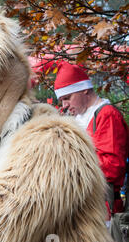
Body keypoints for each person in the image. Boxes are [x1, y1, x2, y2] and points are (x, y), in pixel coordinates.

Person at [54, 61, 129, 221]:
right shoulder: (81, 117)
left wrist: (68, 163)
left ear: (84, 90)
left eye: (67, 98)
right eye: (61, 100)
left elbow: (113, 167)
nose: (64, 106)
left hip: (103, 210)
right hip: (86, 208)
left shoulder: (106, 115)